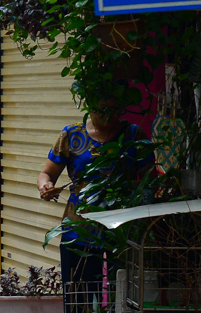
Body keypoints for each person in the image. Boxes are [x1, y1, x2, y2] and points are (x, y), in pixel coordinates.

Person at [37, 108, 148, 290]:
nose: (105, 114)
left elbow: (148, 181)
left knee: (122, 293)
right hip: (79, 228)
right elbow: (46, 174)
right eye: (99, 108)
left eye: (110, 108)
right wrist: (45, 186)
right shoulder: (72, 134)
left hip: (122, 230)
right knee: (78, 294)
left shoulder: (134, 135)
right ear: (88, 103)